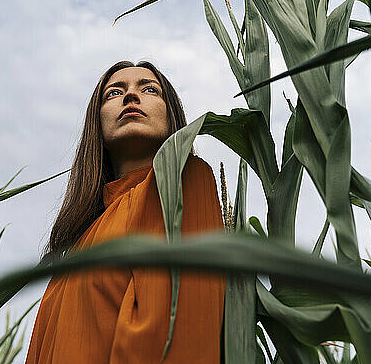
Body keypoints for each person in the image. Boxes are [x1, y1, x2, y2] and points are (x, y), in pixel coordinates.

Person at [25, 60, 226, 363]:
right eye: (113, 93)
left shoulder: (184, 180)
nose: (131, 96)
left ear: (171, 116)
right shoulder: (81, 241)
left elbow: (182, 330)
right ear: (98, 123)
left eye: (149, 89)